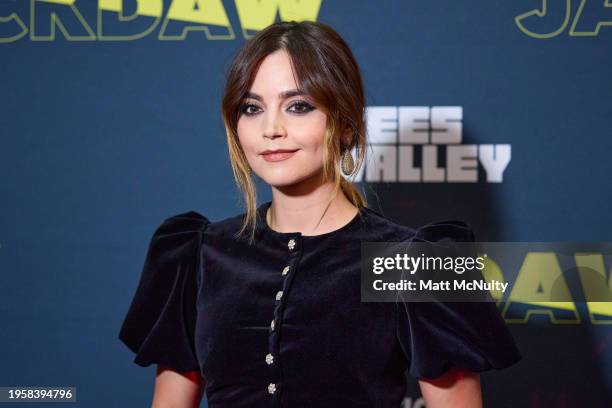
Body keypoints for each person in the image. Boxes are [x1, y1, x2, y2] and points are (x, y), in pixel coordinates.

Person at [118, 20, 521, 408]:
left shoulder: (415, 262)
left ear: (345, 124)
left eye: (298, 106)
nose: (271, 128)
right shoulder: (198, 254)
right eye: (251, 108)